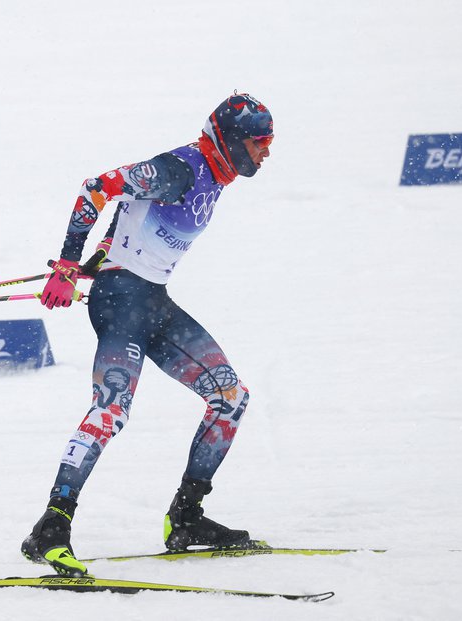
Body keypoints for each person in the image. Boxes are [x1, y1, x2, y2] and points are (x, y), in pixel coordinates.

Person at [21, 93, 274, 577]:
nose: (266, 152)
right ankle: (50, 527)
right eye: (260, 142)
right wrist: (70, 264)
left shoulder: (216, 174)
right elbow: (97, 187)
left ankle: (186, 519)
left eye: (269, 141)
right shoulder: (179, 169)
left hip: (154, 299)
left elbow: (131, 215)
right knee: (111, 408)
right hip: (122, 301)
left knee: (230, 397)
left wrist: (103, 252)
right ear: (232, 140)